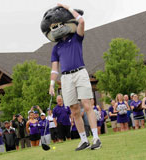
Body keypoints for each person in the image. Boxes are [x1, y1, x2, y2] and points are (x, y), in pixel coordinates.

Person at [49, 3, 101, 151]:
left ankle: (96, 138)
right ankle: (84, 140)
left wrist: (67, 7)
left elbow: (82, 21)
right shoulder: (56, 47)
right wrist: (52, 84)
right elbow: (54, 68)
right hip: (65, 78)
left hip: (80, 73)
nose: (57, 28)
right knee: (74, 110)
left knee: (86, 104)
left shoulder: (76, 37)